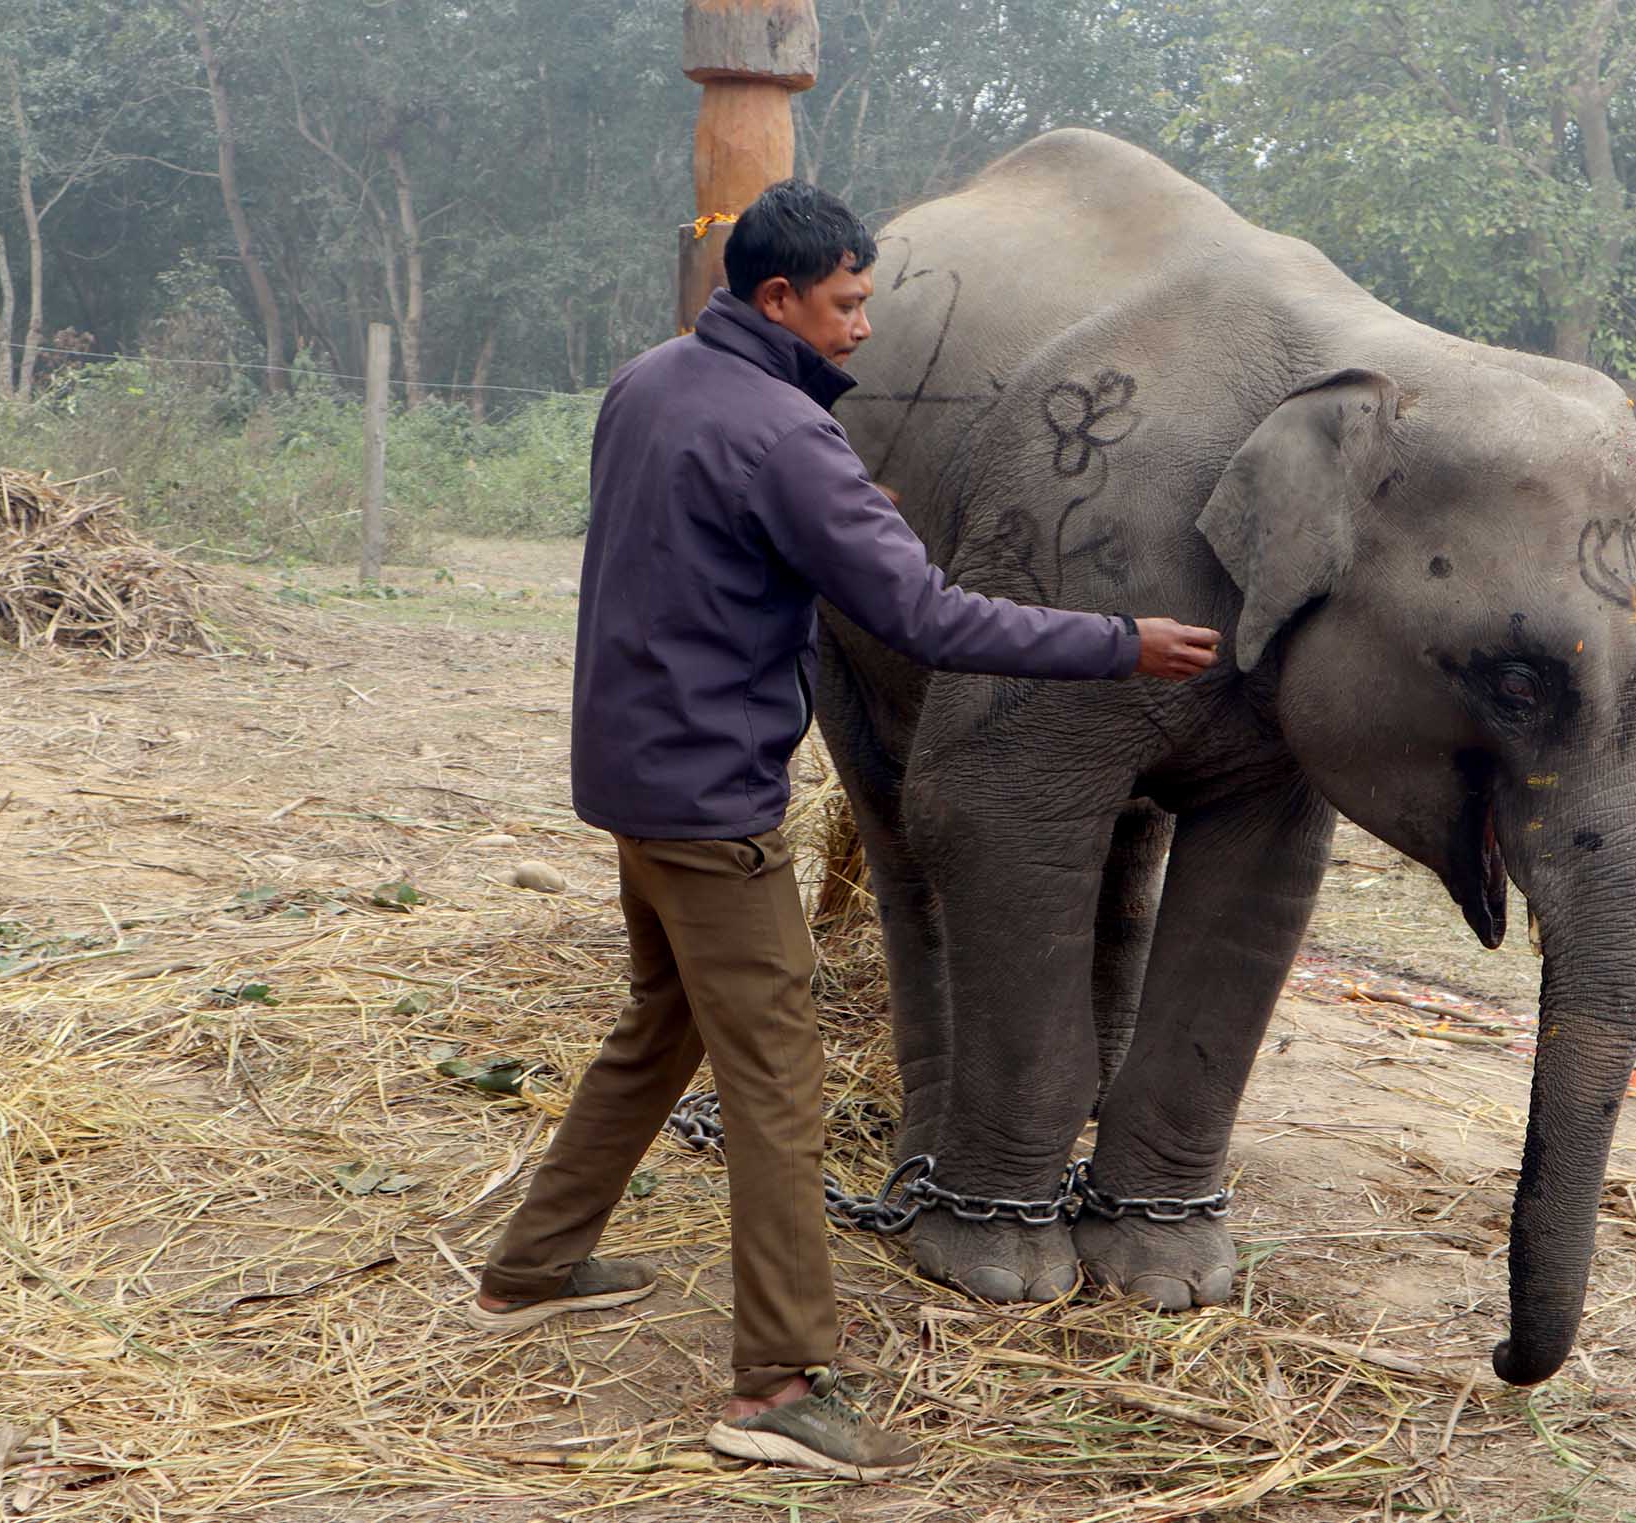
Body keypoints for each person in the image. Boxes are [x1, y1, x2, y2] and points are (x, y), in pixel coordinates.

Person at [464, 178, 1221, 1480]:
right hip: (714, 804)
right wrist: (1119, 643)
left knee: (661, 1028)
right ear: (780, 299)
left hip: (633, 779)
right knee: (777, 1093)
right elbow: (928, 616)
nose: (865, 327)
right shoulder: (788, 437)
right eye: (848, 302)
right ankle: (775, 1389)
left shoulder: (648, 382)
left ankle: (535, 1261)